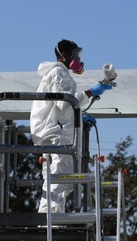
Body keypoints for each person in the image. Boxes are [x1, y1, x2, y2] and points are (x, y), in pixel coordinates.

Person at [30, 39, 113, 212]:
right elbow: (66, 104)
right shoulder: (59, 73)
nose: (77, 59)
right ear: (64, 55)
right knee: (60, 180)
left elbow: (65, 103)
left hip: (53, 132)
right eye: (74, 54)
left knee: (54, 179)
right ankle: (50, 224)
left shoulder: (57, 73)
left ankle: (48, 224)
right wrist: (87, 99)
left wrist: (85, 103)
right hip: (56, 134)